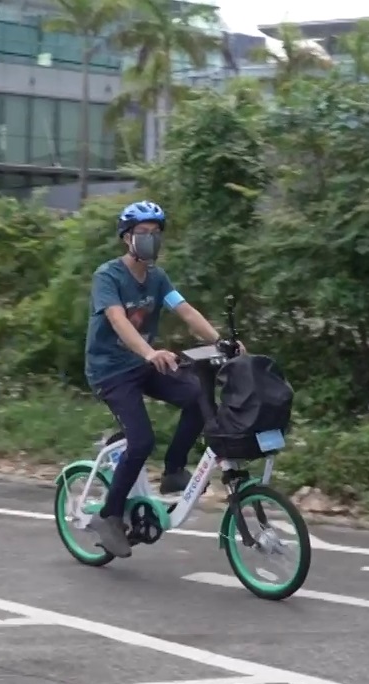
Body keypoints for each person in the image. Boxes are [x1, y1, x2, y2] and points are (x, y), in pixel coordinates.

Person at [82, 200, 240, 558]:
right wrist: (150, 352)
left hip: (142, 364)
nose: (150, 239)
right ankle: (108, 516)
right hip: (110, 371)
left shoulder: (158, 277)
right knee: (141, 441)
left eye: (155, 234)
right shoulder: (107, 276)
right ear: (126, 238)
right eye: (142, 233)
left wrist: (220, 341)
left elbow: (184, 310)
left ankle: (173, 470)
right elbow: (119, 321)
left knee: (198, 396)